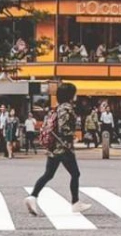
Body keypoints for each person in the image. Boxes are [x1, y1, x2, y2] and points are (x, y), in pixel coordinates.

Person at [24, 82, 91, 217]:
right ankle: (75, 202)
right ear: (70, 95)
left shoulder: (57, 108)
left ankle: (32, 197)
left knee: (48, 174)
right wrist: (72, 137)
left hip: (54, 147)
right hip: (64, 148)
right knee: (75, 174)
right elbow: (63, 128)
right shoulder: (67, 108)